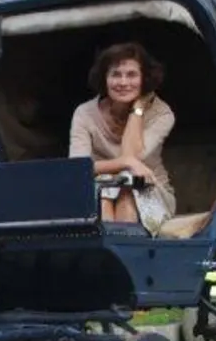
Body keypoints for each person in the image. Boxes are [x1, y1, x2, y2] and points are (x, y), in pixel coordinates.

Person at [68, 41, 177, 232]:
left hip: (147, 189)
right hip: (99, 189)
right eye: (116, 74)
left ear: (144, 79)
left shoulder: (162, 114)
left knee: (127, 185)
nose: (123, 82)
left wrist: (138, 109)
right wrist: (126, 163)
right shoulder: (84, 113)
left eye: (132, 75)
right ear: (105, 79)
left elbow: (133, 156)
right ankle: (107, 251)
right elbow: (78, 168)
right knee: (102, 190)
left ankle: (123, 249)